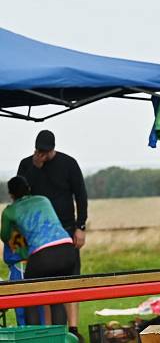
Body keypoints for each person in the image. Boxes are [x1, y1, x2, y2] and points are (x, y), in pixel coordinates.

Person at [17, 130, 87, 338]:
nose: (41, 155)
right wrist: (35, 169)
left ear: (52, 149)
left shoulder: (69, 163)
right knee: (43, 283)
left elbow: (81, 195)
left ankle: (73, 329)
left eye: (44, 152)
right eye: (38, 151)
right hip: (39, 236)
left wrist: (80, 226)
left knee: (71, 280)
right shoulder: (27, 165)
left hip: (66, 230)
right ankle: (50, 332)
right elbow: (21, 194)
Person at [1, 176, 76, 326]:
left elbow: (5, 235)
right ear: (28, 188)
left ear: (11, 194)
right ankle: (59, 339)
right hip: (67, 249)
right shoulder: (43, 199)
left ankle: (34, 337)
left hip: (42, 254)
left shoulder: (10, 211)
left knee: (30, 297)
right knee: (57, 298)